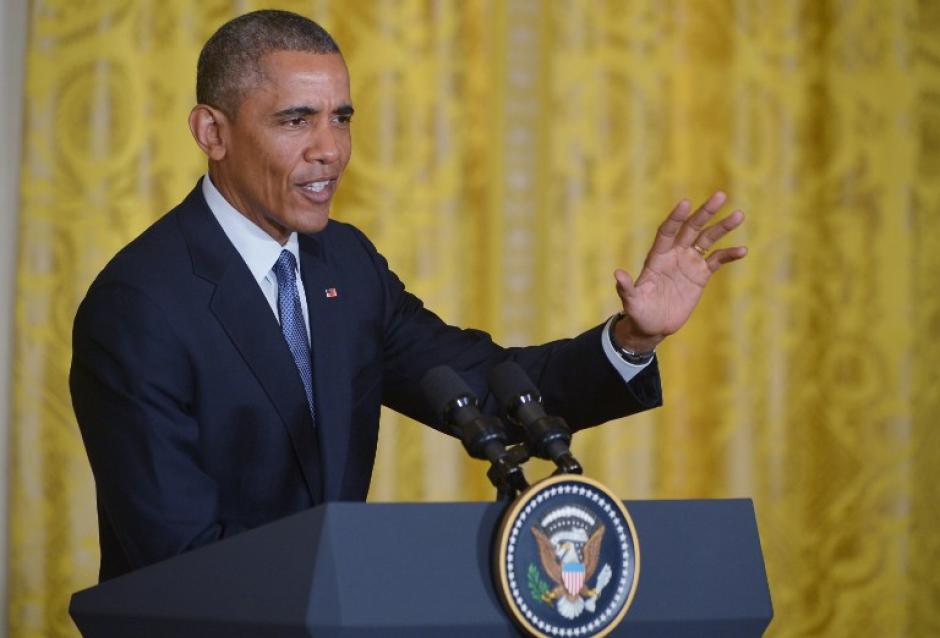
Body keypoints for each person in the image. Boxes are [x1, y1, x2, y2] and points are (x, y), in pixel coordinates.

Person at [70, 9, 746, 582]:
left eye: (342, 117)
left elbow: (493, 392)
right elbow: (177, 558)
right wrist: (378, 579)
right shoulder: (139, 305)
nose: (330, 150)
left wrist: (632, 340)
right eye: (296, 121)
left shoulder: (348, 265)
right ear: (212, 133)